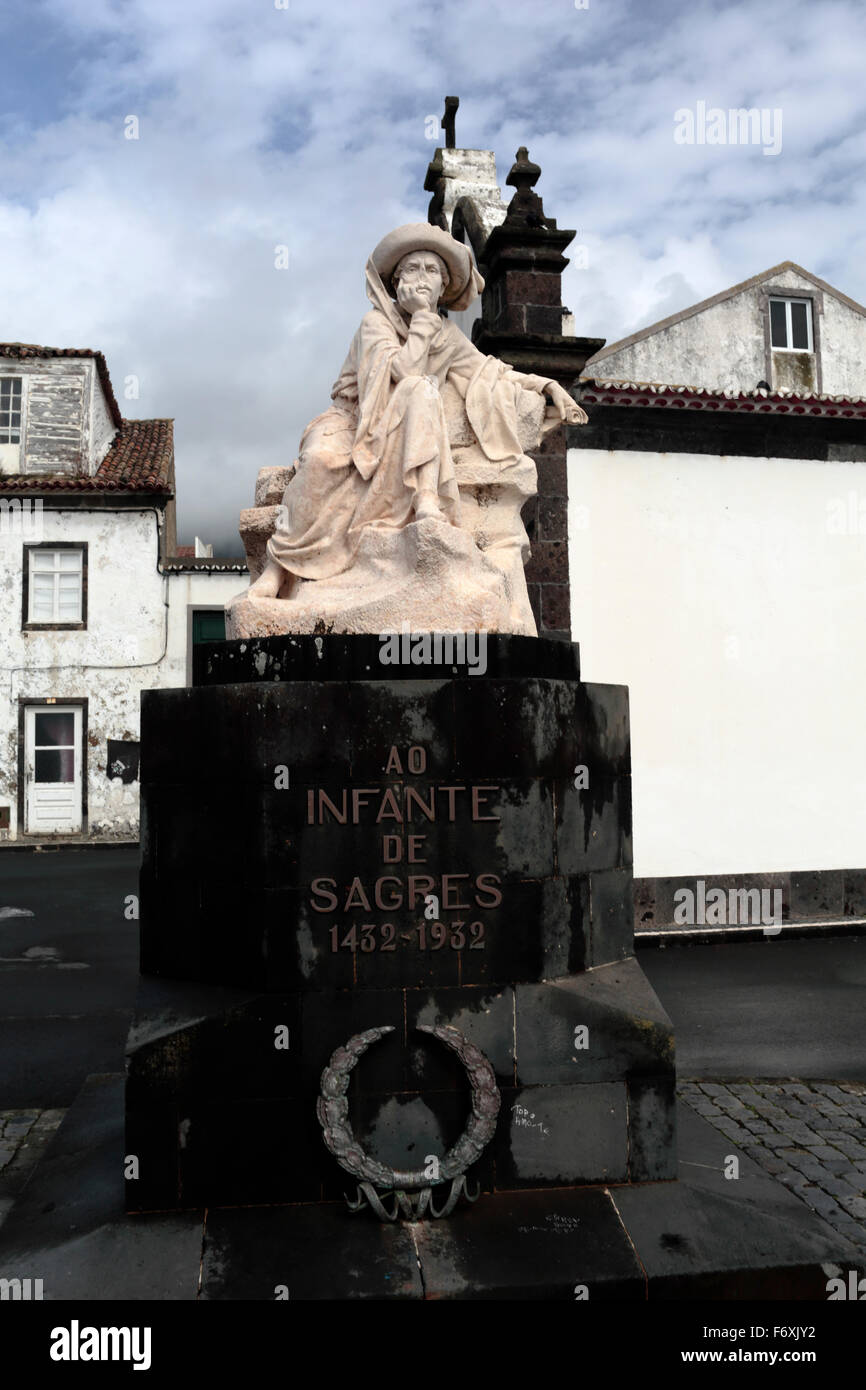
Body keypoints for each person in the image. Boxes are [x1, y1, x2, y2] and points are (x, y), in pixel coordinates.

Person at [249, 223, 585, 600]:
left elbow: (488, 370)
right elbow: (400, 372)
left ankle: (427, 499)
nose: (422, 278)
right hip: (354, 420)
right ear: (396, 282)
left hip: (404, 424)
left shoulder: (446, 335)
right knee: (318, 462)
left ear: (443, 286)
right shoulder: (376, 323)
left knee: (422, 389)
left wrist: (546, 385)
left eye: (432, 271)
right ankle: (280, 568)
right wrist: (422, 319)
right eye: (412, 269)